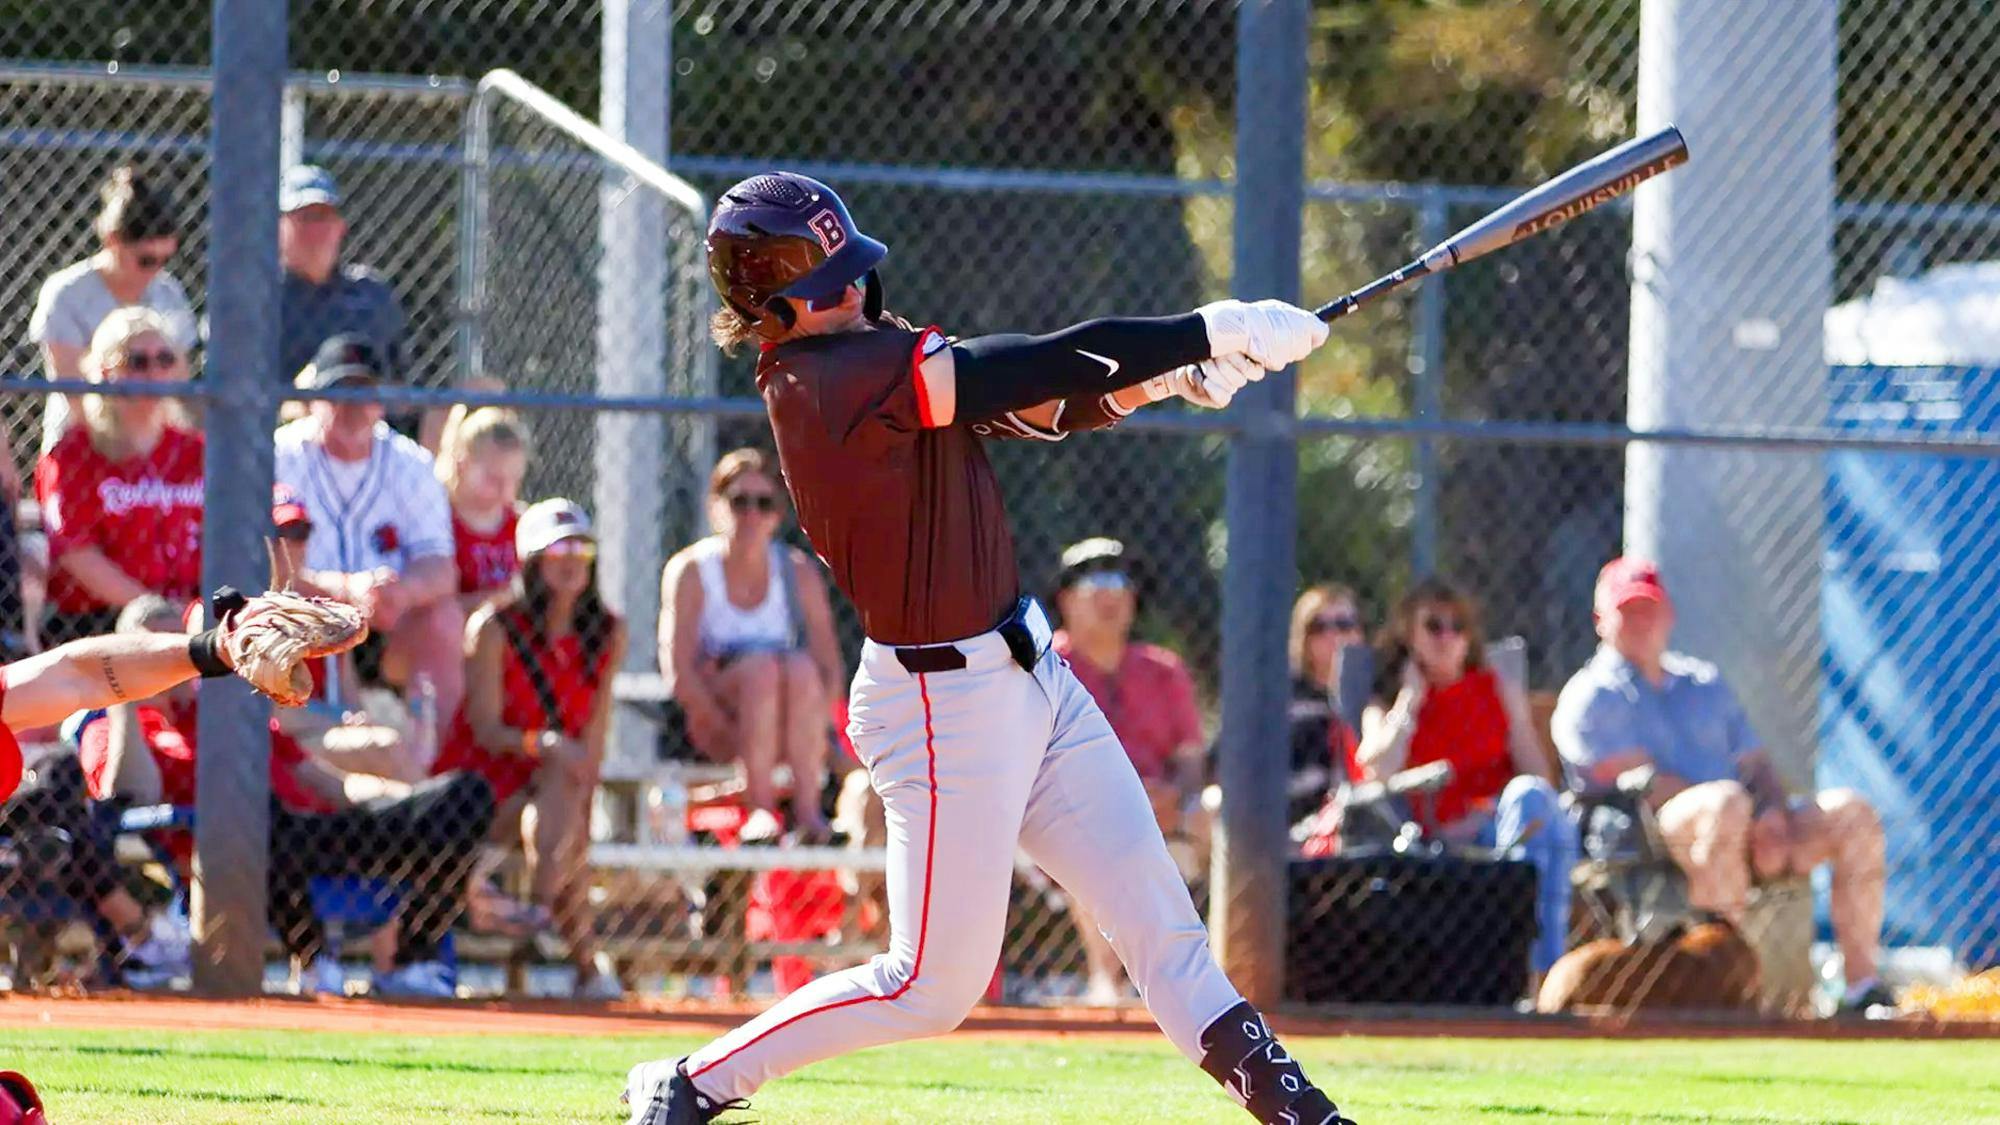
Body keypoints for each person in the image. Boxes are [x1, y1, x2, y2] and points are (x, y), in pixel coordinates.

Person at [623, 172, 1352, 1125]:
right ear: (767, 297)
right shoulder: (817, 382)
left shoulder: (866, 348)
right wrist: (1203, 332)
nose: (852, 286)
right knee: (931, 985)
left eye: (851, 269)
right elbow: (1025, 367)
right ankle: (695, 1080)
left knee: (1166, 934)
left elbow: (1036, 407)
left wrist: (1159, 381)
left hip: (1033, 679)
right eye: (827, 276)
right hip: (940, 705)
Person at [78, 595, 492, 997]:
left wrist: (405, 798)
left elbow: (326, 780)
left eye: (177, 646)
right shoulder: (117, 730)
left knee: (467, 794)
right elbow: (131, 794)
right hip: (241, 848)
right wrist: (125, 696)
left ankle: (406, 956)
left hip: (315, 834)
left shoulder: (225, 709)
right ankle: (313, 961)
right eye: (151, 649)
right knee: (254, 805)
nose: (170, 659)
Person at [1551, 557, 1892, 1012]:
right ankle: (1722, 991)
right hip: (1649, 831)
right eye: (1627, 611)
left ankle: (1861, 991)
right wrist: (1738, 812)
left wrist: (1770, 812)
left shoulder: (1703, 682)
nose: (1641, 622)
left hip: (1743, 820)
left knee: (1851, 813)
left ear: (1669, 614)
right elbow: (1635, 781)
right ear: (1600, 621)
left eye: (1649, 609)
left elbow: (1754, 763)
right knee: (1723, 804)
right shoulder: (1591, 695)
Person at [434, 499, 627, 1000]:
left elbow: (595, 737)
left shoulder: (607, 632)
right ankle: (582, 961)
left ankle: (540, 913)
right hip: (483, 785)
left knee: (564, 796)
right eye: (559, 547)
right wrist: (541, 744)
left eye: (582, 548)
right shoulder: (494, 626)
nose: (571, 559)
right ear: (531, 560)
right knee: (561, 796)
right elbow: (483, 729)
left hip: (551, 794)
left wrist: (574, 783)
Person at [1351, 577, 1576, 982]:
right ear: (1409, 634)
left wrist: (1506, 808)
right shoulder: (1385, 701)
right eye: (1434, 626)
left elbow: (1538, 776)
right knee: (1541, 829)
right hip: (1440, 833)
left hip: (1508, 825)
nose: (1448, 637)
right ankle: (1541, 972)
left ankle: (1538, 969)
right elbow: (1377, 773)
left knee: (1534, 803)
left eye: (1458, 626)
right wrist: (1411, 701)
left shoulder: (1495, 689)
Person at [275, 334, 464, 737]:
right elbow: (267, 566)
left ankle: (435, 770)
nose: (352, 406)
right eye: (338, 392)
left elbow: (441, 568)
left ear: (382, 399)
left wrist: (401, 593)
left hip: (386, 623)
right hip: (304, 615)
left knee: (444, 620)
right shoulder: (280, 456)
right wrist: (345, 590)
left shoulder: (410, 462)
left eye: (364, 392)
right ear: (312, 398)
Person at [1049, 536, 1207, 1005]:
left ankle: (1209, 976)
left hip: (1162, 815)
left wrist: (1175, 794)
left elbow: (1192, 760)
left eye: (1121, 580)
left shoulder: (1165, 669)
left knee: (1213, 810)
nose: (1111, 593)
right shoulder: (1045, 665)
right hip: (1070, 814)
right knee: (1089, 836)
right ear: (1064, 599)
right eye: (1094, 580)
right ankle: (1108, 980)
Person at [659, 448, 844, 842]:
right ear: (716, 507)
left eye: (764, 503)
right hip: (716, 721)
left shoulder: (798, 571)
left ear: (778, 515)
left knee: (800, 669)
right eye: (739, 502)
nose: (751, 515)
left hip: (789, 721)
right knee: (763, 670)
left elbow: (829, 669)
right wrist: (725, 730)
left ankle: (809, 816)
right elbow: (680, 672)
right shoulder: (691, 572)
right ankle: (761, 813)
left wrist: (812, 729)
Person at [33, 309, 203, 646]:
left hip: (192, 612)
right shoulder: (75, 453)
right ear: (106, 372)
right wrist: (156, 611)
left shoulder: (195, 450)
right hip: (99, 621)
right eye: (137, 362)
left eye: (164, 359)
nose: (154, 372)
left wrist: (192, 612)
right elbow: (75, 552)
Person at [28, 164, 198, 453]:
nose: (156, 271)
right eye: (146, 260)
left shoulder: (167, 292)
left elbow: (177, 380)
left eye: (164, 260)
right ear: (112, 241)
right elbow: (74, 391)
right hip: (83, 446)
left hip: (154, 451)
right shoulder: (67, 293)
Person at [277, 165, 405, 383]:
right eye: (306, 218)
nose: (316, 230)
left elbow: (399, 384)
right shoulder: (258, 300)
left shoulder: (371, 294)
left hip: (369, 414)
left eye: (324, 217)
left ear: (340, 227)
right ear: (279, 228)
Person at [437, 406, 530, 619]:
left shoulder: (522, 523)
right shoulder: (440, 521)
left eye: (513, 479)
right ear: (461, 465)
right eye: (493, 478)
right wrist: (493, 601)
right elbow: (437, 608)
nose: (504, 489)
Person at [1288, 584, 1367, 827]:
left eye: (1344, 624)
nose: (1333, 636)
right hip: (1289, 817)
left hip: (1357, 815)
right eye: (1319, 627)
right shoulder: (1283, 696)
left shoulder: (1375, 692)